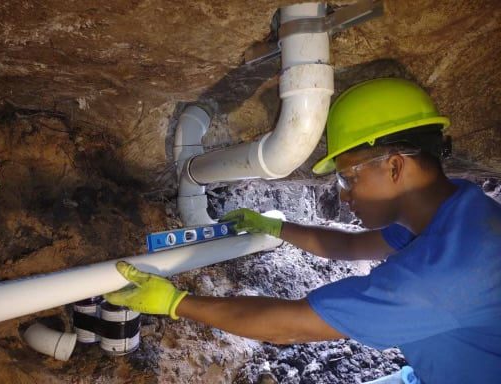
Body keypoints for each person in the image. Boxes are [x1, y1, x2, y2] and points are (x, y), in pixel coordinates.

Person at [104, 78, 501, 384]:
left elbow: (289, 326)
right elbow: (346, 246)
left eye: (347, 179)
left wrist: (177, 303)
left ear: (395, 167)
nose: (344, 198)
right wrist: (275, 227)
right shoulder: (456, 213)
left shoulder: (442, 274)